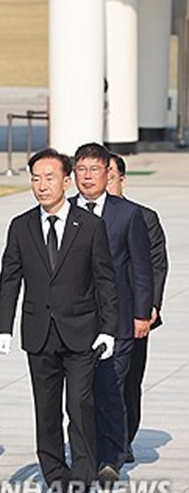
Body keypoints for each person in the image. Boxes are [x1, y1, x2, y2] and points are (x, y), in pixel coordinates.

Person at [0, 148, 118, 493]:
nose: (42, 185)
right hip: (38, 333)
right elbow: (9, 280)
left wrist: (109, 329)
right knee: (46, 411)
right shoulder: (21, 225)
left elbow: (105, 281)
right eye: (35, 178)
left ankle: (82, 483)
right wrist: (4, 328)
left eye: (49, 178)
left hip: (81, 332)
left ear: (67, 181)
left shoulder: (90, 225)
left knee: (80, 406)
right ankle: (57, 480)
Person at [71, 143, 152, 485]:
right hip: (74, 320)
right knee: (80, 392)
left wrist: (142, 314)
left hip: (117, 320)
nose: (87, 177)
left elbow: (141, 269)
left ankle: (110, 457)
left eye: (94, 170)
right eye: (81, 170)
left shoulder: (127, 214)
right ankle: (85, 452)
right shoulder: (62, 210)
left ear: (109, 173)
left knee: (111, 389)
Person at [107, 154, 168, 463]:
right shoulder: (80, 214)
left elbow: (156, 265)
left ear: (122, 180)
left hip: (134, 313)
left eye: (111, 177)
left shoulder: (143, 217)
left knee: (128, 380)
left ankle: (123, 438)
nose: (104, 182)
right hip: (93, 315)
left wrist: (150, 306)